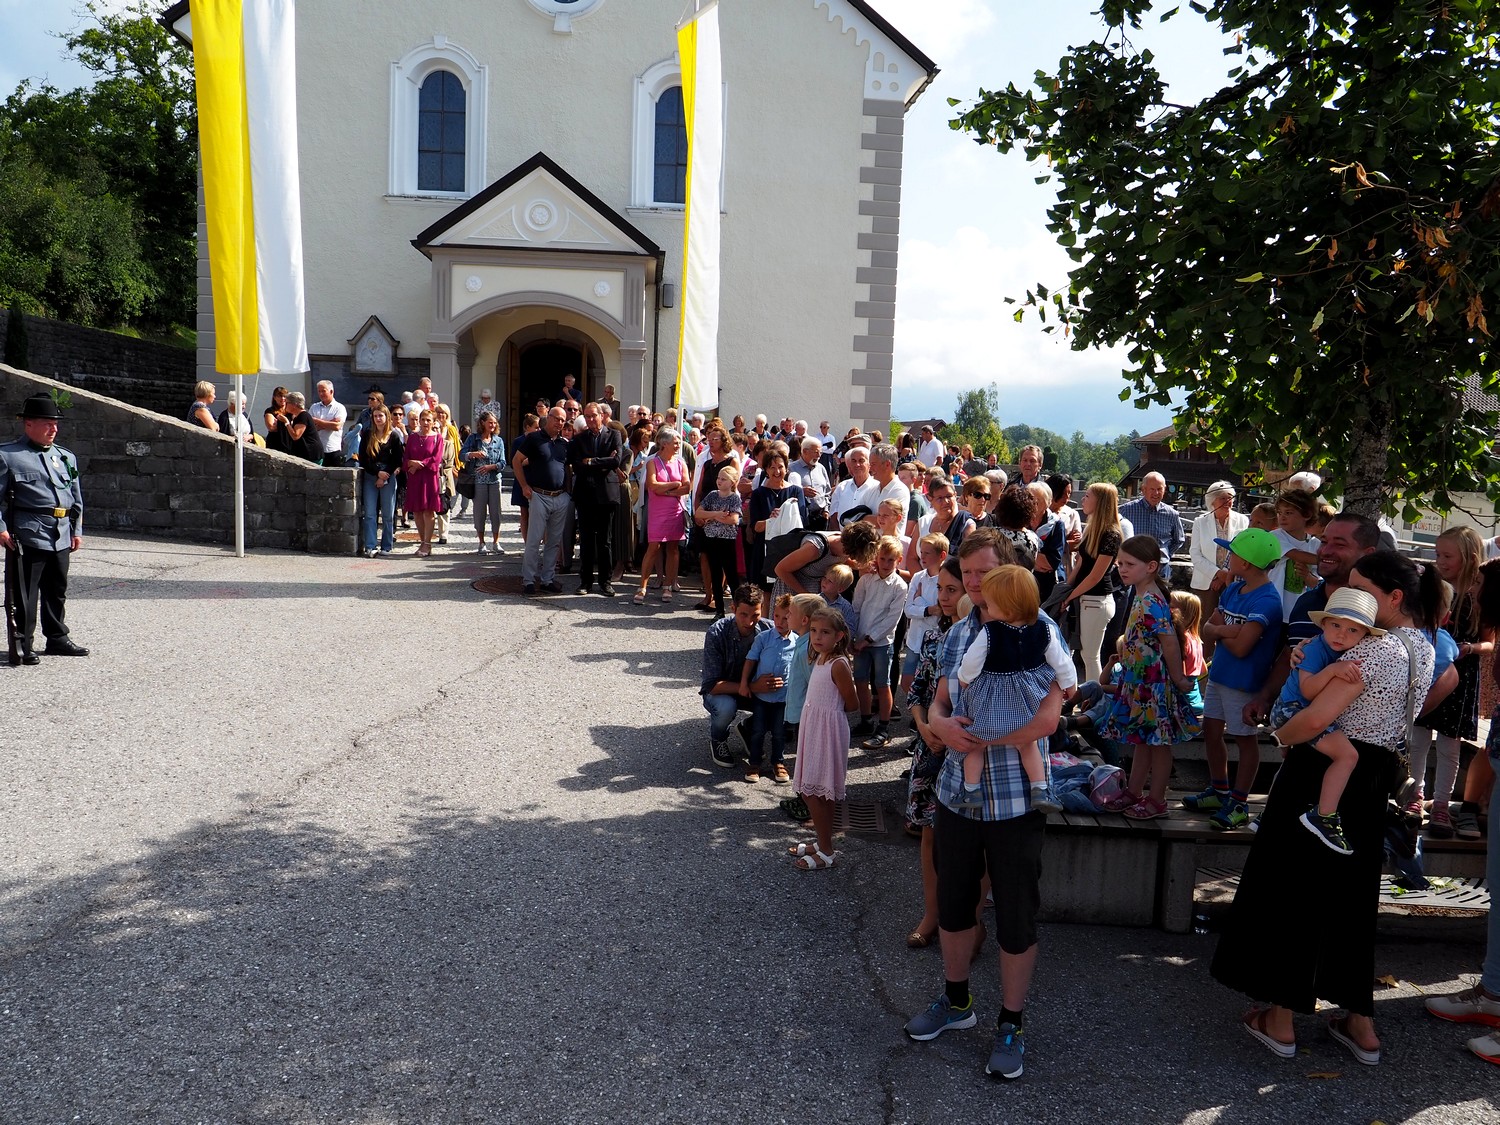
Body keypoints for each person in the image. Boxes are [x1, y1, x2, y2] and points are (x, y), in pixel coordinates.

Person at [1211, 550, 1438, 1068]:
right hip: (1374, 776)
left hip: (1324, 769)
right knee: (1352, 898)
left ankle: (1281, 1018)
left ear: (1393, 597)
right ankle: (1359, 1021)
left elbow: (1314, 719)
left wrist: (1280, 733)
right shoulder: (1422, 645)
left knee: (1296, 890)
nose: (1346, 596)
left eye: (1361, 589)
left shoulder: (1371, 651)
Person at [903, 528, 1063, 1082]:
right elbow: (938, 701)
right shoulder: (959, 631)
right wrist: (940, 725)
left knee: (1017, 913)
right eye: (966, 573)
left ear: (1009, 572)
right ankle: (957, 1002)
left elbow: (1049, 720)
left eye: (983, 572)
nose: (973, 582)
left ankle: (1011, 1022)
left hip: (1017, 799)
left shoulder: (1042, 631)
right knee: (953, 903)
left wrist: (981, 739)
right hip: (959, 794)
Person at [1266, 586, 1383, 853]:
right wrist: (1332, 670)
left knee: (1297, 765)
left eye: (1352, 630)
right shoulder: (1316, 649)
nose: (1342, 634)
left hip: (1302, 711)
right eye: (1336, 625)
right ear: (1323, 624)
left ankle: (1271, 813)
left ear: (1365, 636)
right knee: (1347, 756)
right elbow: (1308, 690)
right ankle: (1324, 815)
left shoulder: (1347, 650)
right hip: (1290, 710)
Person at [1094, 536, 1201, 819]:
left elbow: (1170, 642)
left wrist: (1178, 677)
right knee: (1142, 741)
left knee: (1159, 745)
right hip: (1139, 682)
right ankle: (1134, 791)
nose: (1122, 569)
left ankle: (1157, 800)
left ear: (1151, 566)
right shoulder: (1142, 595)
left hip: (1153, 685)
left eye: (1129, 564)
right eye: (1120, 563)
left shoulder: (1151, 600)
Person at [952, 564, 1072, 813]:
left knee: (975, 743)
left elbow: (971, 663)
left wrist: (964, 679)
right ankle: (1040, 788)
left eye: (991, 602)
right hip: (1027, 700)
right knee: (1027, 744)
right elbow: (1062, 663)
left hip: (992, 700)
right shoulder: (1045, 630)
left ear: (1007, 606)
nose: (986, 605)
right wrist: (1070, 685)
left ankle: (971, 790)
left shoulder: (989, 632)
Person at [1188, 528, 1285, 830]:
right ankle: (1219, 791)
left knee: (1244, 739)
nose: (1227, 556)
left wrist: (1220, 632)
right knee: (1211, 731)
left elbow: (1243, 648)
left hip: (1244, 682)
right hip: (1220, 674)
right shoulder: (1233, 588)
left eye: (1233, 552)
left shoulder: (1267, 600)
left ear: (1247, 562)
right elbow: (1207, 628)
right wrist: (1226, 631)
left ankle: (1240, 802)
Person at [1412, 526, 1493, 836]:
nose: (1440, 561)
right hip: (1429, 674)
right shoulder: (1432, 589)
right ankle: (1415, 796)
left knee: (1449, 746)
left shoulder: (1477, 597)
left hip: (1461, 679)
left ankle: (1442, 805)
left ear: (1469, 558)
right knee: (1418, 739)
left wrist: (1469, 648)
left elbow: (1490, 643)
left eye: (1447, 556)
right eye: (1438, 555)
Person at [904, 556, 965, 947]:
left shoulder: (981, 639)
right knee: (929, 835)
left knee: (967, 842)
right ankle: (931, 915)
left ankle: (967, 923)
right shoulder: (932, 638)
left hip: (967, 749)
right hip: (931, 749)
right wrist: (924, 727)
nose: (942, 596)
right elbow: (916, 694)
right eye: (940, 588)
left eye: (951, 589)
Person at [0, 393, 88, 663]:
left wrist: (76, 530)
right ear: (28, 423)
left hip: (60, 532)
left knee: (57, 589)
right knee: (26, 593)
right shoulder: (8, 456)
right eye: (47, 423)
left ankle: (57, 638)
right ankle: (24, 643)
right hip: (28, 533)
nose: (54, 429)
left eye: (55, 424)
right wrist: (1, 528)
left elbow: (76, 497)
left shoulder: (65, 457)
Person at [786, 605, 859, 871]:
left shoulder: (838, 665)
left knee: (813, 792)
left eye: (825, 632)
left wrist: (828, 714)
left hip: (827, 731)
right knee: (817, 792)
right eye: (814, 630)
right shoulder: (820, 657)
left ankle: (827, 851)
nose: (817, 637)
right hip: (813, 727)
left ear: (839, 636)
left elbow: (852, 703)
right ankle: (822, 841)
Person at [703, 584, 773, 768]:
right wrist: (752, 686)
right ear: (733, 608)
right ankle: (718, 739)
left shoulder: (770, 631)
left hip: (755, 691)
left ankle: (747, 728)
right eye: (743, 614)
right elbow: (711, 685)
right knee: (726, 707)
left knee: (785, 702)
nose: (749, 622)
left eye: (755, 615)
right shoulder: (717, 632)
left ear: (762, 609)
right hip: (724, 691)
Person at [851, 535, 909, 748]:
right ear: (876, 558)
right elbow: (856, 609)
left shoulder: (900, 586)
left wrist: (868, 639)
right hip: (860, 638)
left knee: (882, 684)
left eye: (890, 560)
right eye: (882, 559)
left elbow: (892, 620)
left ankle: (883, 727)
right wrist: (854, 636)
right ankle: (866, 720)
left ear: (898, 560)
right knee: (860, 680)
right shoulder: (866, 580)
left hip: (882, 642)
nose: (885, 564)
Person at [1060, 482, 1123, 681]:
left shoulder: (1111, 534)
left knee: (1090, 656)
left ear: (1100, 502)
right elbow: (1080, 565)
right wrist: (1065, 591)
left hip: (1097, 600)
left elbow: (1096, 576)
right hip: (1084, 598)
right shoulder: (1092, 529)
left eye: (1087, 496)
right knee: (1079, 652)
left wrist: (1070, 595)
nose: (1083, 500)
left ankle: (1095, 696)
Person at [740, 593, 798, 784]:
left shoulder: (797, 642)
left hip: (783, 698)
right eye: (776, 616)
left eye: (786, 618)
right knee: (758, 731)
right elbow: (750, 660)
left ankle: (778, 762)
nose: (780, 622)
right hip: (761, 697)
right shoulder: (763, 638)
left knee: (779, 732)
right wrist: (744, 683)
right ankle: (754, 762)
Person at [515, 406, 573, 595]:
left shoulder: (564, 444)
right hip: (539, 496)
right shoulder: (534, 439)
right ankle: (528, 580)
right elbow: (516, 461)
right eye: (557, 418)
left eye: (563, 420)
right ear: (548, 417)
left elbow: (568, 468)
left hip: (560, 497)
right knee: (534, 540)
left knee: (554, 541)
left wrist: (568, 493)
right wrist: (524, 486)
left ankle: (548, 579)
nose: (560, 423)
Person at [568, 401, 623, 597]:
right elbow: (576, 464)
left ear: (602, 416)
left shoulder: (614, 435)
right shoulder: (579, 439)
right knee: (586, 540)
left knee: (605, 541)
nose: (591, 419)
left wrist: (591, 461)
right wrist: (603, 462)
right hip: (585, 494)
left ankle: (605, 582)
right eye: (588, 416)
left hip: (606, 495)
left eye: (594, 415)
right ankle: (585, 581)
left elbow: (616, 461)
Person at [1191, 481, 1248, 657]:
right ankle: (1203, 661)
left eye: (1230, 498)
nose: (1228, 502)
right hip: (1206, 582)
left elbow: (1243, 550)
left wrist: (1227, 574)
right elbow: (1195, 554)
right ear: (1212, 500)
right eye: (1223, 498)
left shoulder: (1243, 520)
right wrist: (1217, 574)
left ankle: (1223, 659)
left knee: (1230, 623)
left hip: (1233, 581)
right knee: (1204, 625)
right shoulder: (1200, 522)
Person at [635, 427, 689, 605]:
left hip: (675, 510)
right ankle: (642, 586)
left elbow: (687, 487)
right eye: (675, 443)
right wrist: (674, 484)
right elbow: (652, 485)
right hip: (658, 512)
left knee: (673, 548)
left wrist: (666, 491)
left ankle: (668, 585)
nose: (678, 446)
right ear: (664, 444)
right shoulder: (653, 462)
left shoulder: (680, 462)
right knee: (653, 547)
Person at [901, 533, 950, 702]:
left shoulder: (945, 580)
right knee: (907, 682)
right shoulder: (918, 577)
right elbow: (908, 610)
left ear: (941, 555)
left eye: (927, 553)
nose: (922, 557)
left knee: (930, 685)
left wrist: (919, 601)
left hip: (934, 644)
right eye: (921, 552)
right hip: (915, 641)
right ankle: (918, 710)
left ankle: (926, 713)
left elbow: (941, 612)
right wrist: (927, 609)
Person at [695, 464, 742, 617]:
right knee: (715, 575)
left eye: (724, 479)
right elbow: (698, 513)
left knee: (731, 575)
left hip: (727, 540)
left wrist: (711, 517)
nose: (719, 481)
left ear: (732, 482)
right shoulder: (712, 495)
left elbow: (733, 519)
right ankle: (719, 610)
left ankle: (738, 610)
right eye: (718, 478)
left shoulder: (734, 498)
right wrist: (716, 514)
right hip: (711, 538)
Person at [356, 404, 403, 558]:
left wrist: (385, 475)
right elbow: (364, 458)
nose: (378, 419)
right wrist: (377, 474)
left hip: (388, 475)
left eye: (380, 415)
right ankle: (370, 545)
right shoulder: (368, 434)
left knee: (388, 513)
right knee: (370, 512)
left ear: (386, 417)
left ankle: (387, 546)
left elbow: (398, 459)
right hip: (371, 475)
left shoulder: (394, 436)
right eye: (375, 416)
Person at [1118, 471, 1183, 580]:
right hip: (1133, 568)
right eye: (1152, 489)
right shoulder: (1126, 510)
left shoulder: (1172, 514)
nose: (1156, 493)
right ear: (1143, 490)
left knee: (1160, 592)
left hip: (1160, 569)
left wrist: (1165, 554)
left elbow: (1178, 540)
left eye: (1159, 489)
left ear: (1164, 489)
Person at [1268, 487, 1322, 617]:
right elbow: (1296, 555)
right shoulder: (1275, 537)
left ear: (1307, 515)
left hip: (1299, 611)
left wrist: (1308, 577)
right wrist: (1328, 560)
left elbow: (1315, 582)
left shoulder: (1316, 544)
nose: (1282, 517)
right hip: (1273, 607)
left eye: (1288, 513)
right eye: (1279, 512)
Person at [461, 411, 507, 556]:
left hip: (494, 480)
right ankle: (481, 543)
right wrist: (473, 454)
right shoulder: (473, 439)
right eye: (490, 422)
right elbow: (461, 455)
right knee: (479, 513)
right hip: (478, 481)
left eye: (494, 423)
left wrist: (491, 467)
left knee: (496, 513)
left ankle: (496, 542)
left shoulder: (498, 441)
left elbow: (503, 462)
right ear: (482, 423)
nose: (493, 425)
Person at [402, 408, 444, 557]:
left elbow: (436, 459)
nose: (425, 422)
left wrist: (420, 464)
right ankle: (422, 542)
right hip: (415, 478)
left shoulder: (437, 438)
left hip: (429, 478)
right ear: (419, 421)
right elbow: (405, 457)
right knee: (417, 511)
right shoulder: (412, 437)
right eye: (423, 419)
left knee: (428, 511)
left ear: (433, 422)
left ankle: (428, 543)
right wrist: (411, 464)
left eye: (428, 420)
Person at [432, 404, 460, 544]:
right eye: (438, 412)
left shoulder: (451, 429)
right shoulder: (431, 429)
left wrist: (457, 466)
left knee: (444, 502)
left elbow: (457, 449)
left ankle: (443, 534)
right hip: (431, 473)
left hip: (446, 471)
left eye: (443, 412)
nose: (440, 415)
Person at [309, 380, 348, 467]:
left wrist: (317, 421)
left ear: (331, 391)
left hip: (333, 450)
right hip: (316, 450)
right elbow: (310, 428)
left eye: (323, 391)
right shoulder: (314, 407)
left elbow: (337, 426)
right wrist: (330, 423)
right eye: (319, 391)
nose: (321, 394)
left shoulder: (339, 408)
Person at [262, 386, 291, 453]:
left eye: (284, 396)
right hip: (276, 442)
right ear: (274, 398)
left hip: (289, 441)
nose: (282, 398)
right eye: (280, 396)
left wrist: (279, 423)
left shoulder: (290, 411)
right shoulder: (270, 411)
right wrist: (288, 424)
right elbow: (271, 428)